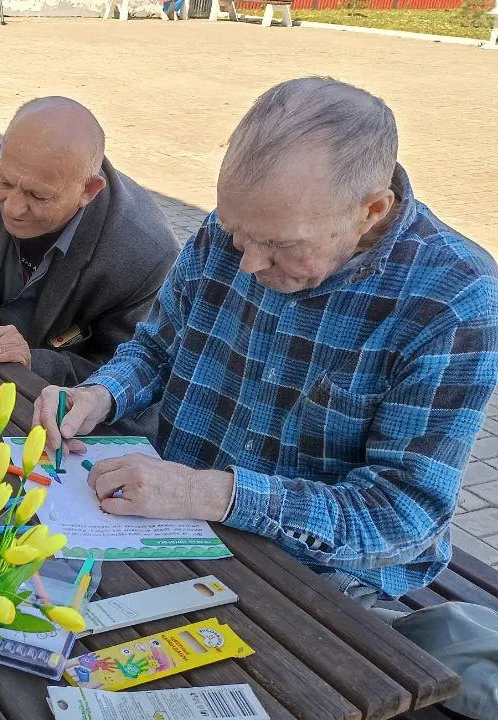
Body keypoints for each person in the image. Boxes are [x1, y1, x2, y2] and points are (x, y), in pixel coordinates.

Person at [34, 78, 498, 604]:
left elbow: (402, 514)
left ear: (370, 210)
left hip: (321, 573)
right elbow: (158, 347)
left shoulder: (452, 299)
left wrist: (205, 492)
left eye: (280, 245)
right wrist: (99, 396)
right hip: (171, 526)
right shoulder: (243, 227)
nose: (249, 263)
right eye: (237, 234)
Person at [0, 97, 179, 388]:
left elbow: (133, 369)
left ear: (88, 189)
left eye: (38, 196)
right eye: (6, 182)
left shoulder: (145, 254)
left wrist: (33, 362)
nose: (12, 208)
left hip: (46, 406)